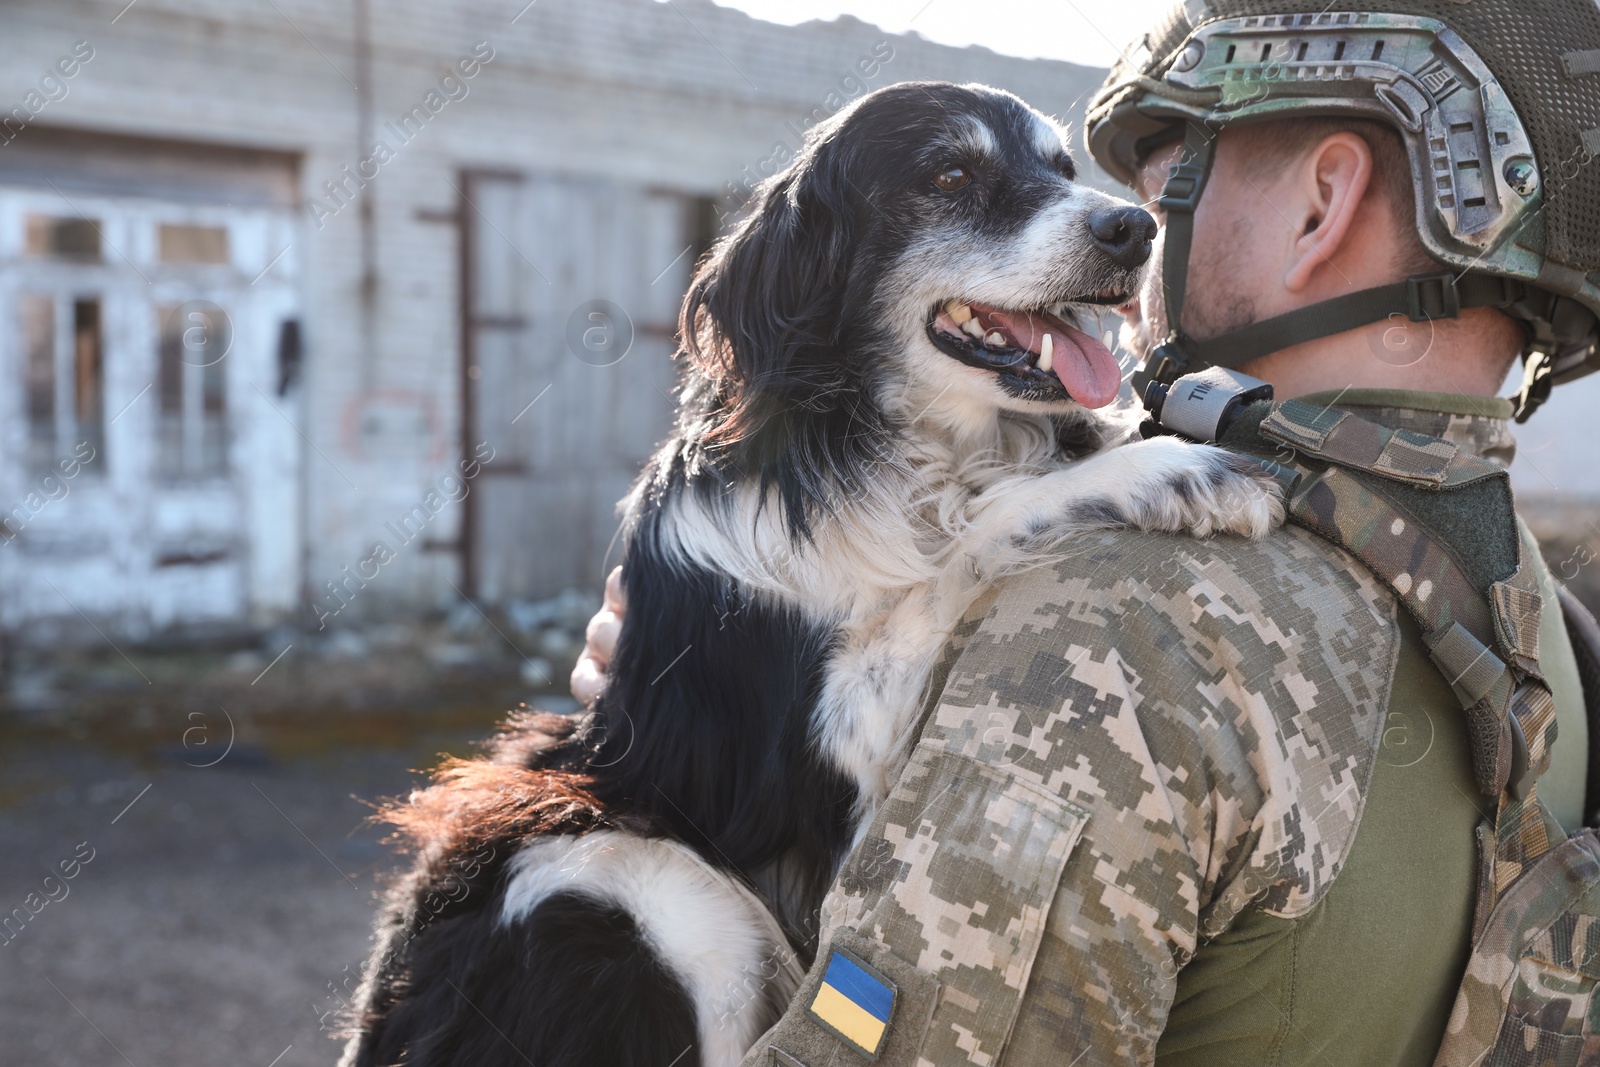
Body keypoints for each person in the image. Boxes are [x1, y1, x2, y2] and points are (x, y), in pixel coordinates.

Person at [575, 1, 1600, 1062]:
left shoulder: (1108, 620)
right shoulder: (1533, 617)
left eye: (1167, 176)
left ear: (1322, 206)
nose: (1128, 222)